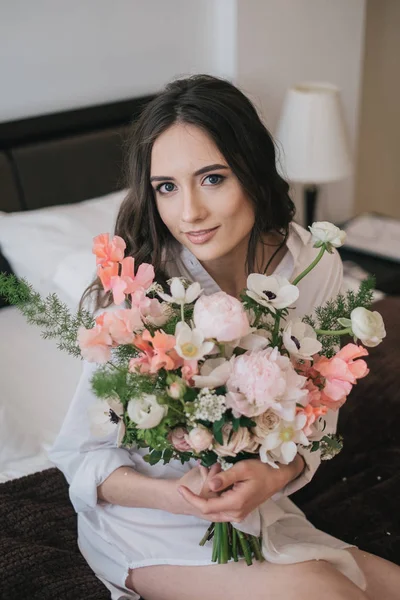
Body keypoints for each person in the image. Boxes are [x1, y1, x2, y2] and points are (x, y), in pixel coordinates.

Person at [49, 75, 400, 600]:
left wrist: (279, 475)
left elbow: (320, 407)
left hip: (256, 507)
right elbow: (83, 456)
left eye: (212, 178)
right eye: (166, 186)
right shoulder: (139, 291)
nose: (188, 212)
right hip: (147, 519)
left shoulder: (312, 266)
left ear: (253, 172)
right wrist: (178, 496)